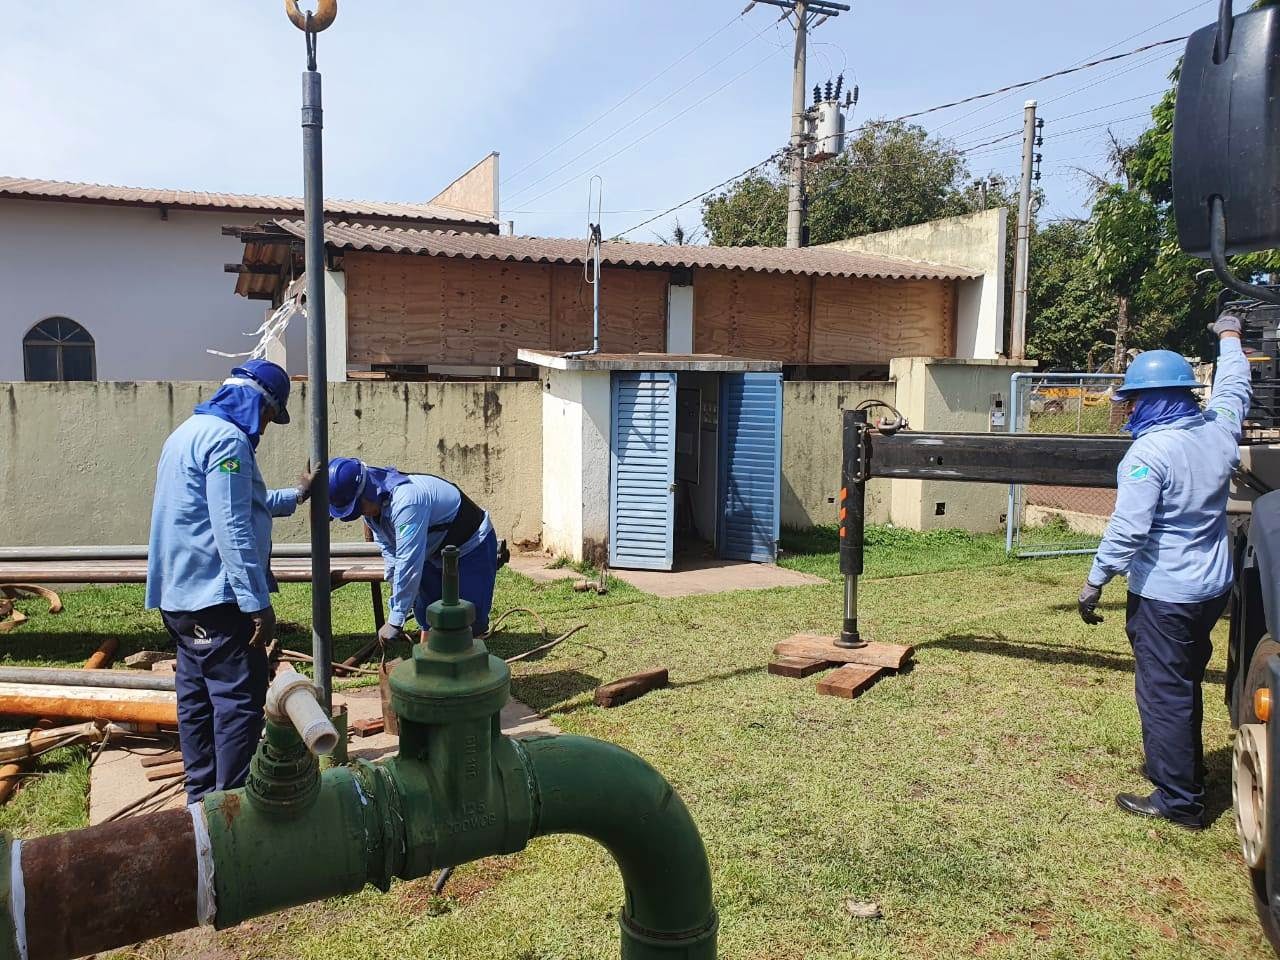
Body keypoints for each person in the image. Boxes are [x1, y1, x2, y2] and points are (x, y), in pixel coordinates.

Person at [1078, 315, 1251, 828]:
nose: (1127, 409)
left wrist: (1094, 582)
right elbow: (1235, 389)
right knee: (1186, 678)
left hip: (1165, 597)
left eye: (1132, 400)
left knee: (1164, 692)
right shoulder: (1218, 431)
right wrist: (1230, 337)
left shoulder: (1149, 452)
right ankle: (1189, 771)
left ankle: (1179, 801)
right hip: (1212, 588)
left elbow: (1128, 530)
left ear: (1153, 399)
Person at [145, 359, 312, 803]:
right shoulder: (228, 441)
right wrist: (257, 601)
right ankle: (230, 812)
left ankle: (199, 804)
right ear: (261, 405)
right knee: (237, 703)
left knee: (196, 701)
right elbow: (232, 525)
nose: (265, 426)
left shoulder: (185, 434)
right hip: (217, 601)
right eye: (271, 417)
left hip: (178, 598)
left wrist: (297, 494)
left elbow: (244, 500)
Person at [327, 457, 498, 642]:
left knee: (470, 620)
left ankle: (470, 660)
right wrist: (396, 588)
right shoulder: (372, 508)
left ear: (368, 492)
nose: (360, 514)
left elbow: (408, 561)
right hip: (432, 550)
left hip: (471, 545)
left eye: (357, 508)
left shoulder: (407, 501)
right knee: (428, 614)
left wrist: (395, 619)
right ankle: (428, 656)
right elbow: (390, 550)